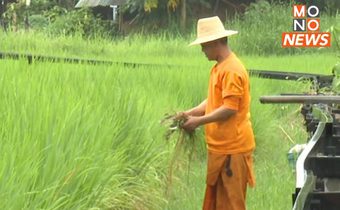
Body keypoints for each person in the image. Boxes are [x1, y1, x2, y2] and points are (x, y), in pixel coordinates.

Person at [179, 16, 256, 210]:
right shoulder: (218, 68)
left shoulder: (232, 69)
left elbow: (230, 108)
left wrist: (197, 122)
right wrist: (189, 113)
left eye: (204, 46)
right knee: (217, 204)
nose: (202, 51)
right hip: (220, 148)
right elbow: (214, 101)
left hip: (233, 149)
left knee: (231, 204)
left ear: (215, 43)